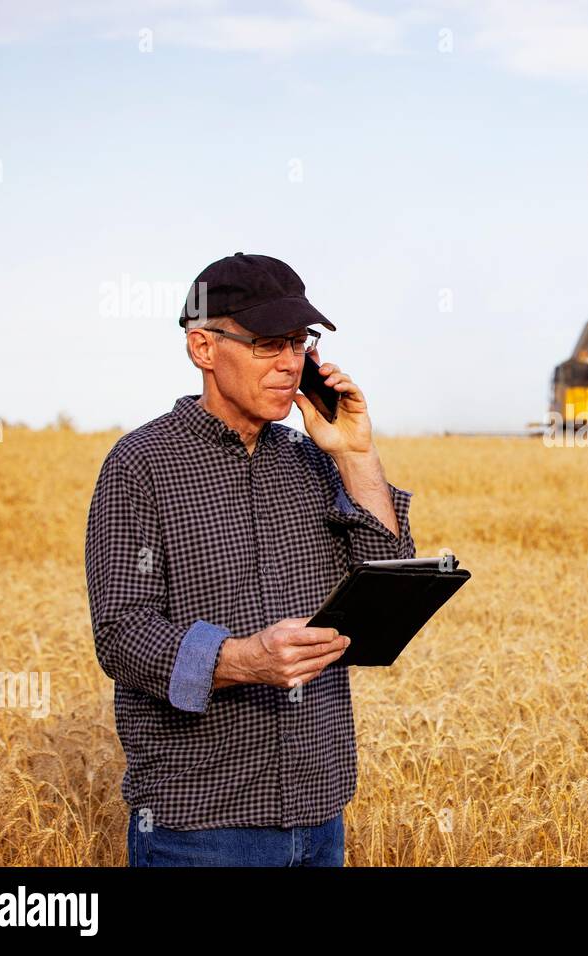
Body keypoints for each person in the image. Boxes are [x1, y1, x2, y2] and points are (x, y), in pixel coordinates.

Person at [84, 252, 416, 866]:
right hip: (201, 830)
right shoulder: (140, 466)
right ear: (203, 347)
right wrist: (243, 660)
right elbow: (122, 636)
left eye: (299, 342)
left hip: (321, 817)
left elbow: (389, 584)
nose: (291, 364)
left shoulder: (316, 460)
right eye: (268, 344)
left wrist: (357, 455)